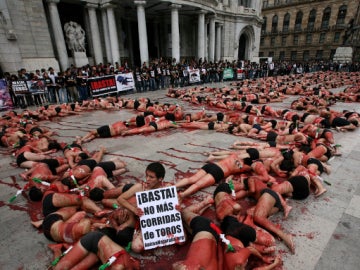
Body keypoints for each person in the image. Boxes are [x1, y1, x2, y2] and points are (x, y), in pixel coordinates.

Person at [117, 162, 172, 253]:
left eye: (151, 177)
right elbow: (120, 199)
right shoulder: (140, 187)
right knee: (136, 247)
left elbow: (174, 205)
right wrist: (134, 209)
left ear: (160, 179)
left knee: (182, 239)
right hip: (145, 224)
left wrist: (177, 207)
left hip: (161, 223)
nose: (147, 179)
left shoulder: (166, 187)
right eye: (146, 176)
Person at [53, 231, 140, 270]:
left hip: (98, 254)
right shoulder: (118, 267)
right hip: (93, 240)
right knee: (58, 269)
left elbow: (136, 263)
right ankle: (57, 249)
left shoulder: (134, 265)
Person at [175, 153, 248, 198]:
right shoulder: (242, 167)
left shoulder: (234, 155)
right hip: (219, 172)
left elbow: (224, 154)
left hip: (212, 165)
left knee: (191, 179)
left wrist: (213, 156)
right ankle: (183, 194)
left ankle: (174, 187)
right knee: (198, 185)